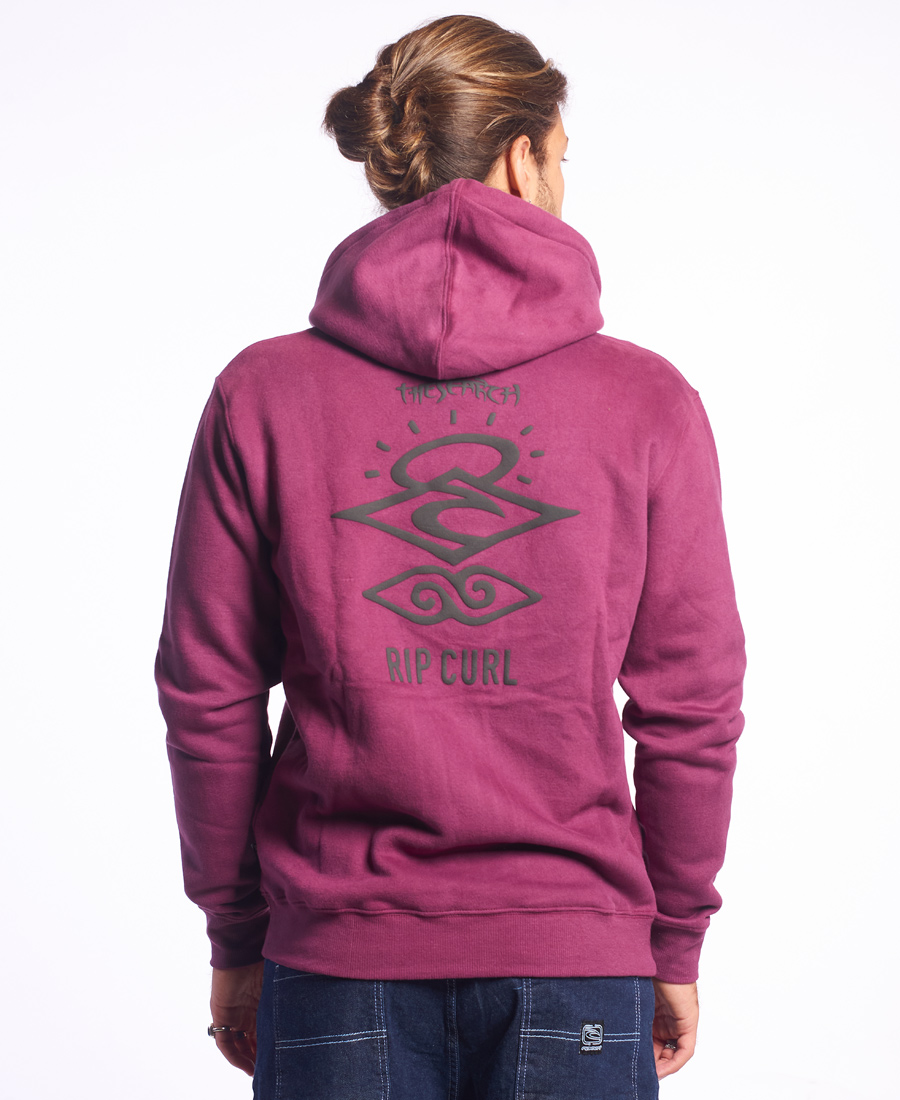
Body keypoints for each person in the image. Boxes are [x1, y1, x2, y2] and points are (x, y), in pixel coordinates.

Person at [154, 14, 746, 1099]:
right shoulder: (646, 401)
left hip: (335, 955)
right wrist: (672, 940)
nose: (562, 181)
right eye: (561, 156)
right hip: (576, 953)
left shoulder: (263, 393)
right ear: (523, 158)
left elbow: (209, 694)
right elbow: (693, 704)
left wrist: (237, 932)